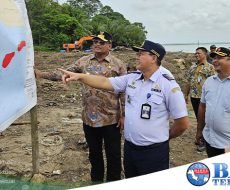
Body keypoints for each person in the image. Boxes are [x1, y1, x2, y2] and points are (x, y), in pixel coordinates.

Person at [58, 40, 189, 178]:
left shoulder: (168, 85)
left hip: (153, 151)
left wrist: (165, 137)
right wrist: (79, 76)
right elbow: (104, 82)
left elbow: (182, 123)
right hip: (130, 148)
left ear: (154, 58)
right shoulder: (132, 78)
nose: (136, 56)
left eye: (141, 53)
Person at [35, 31, 126, 182]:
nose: (96, 44)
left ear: (109, 45)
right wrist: (41, 74)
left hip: (111, 119)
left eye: (101, 42)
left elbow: (124, 91)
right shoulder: (83, 61)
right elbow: (63, 74)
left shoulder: (118, 64)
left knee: (114, 155)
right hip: (89, 118)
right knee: (94, 154)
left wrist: (124, 115)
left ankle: (113, 182)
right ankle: (95, 181)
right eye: (95, 41)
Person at [196, 47, 230, 158]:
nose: (215, 61)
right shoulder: (209, 82)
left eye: (219, 58)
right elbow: (202, 106)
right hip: (210, 140)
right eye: (214, 58)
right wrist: (199, 130)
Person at [185, 47, 215, 151]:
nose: (196, 55)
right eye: (195, 53)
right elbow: (188, 81)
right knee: (199, 119)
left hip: (206, 98)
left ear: (205, 54)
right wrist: (186, 95)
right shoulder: (192, 67)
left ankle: (205, 142)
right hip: (194, 96)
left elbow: (215, 83)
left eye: (199, 53)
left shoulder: (211, 67)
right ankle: (201, 137)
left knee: (205, 119)